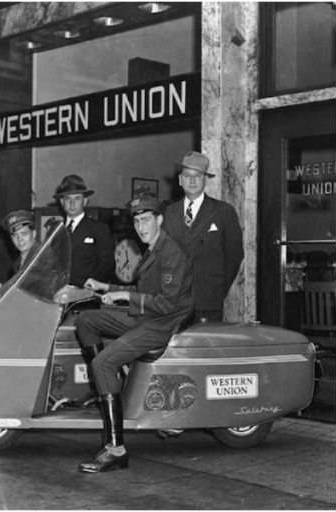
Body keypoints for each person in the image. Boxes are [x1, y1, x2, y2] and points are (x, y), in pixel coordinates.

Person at [75, 196, 193, 473]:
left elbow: (167, 303)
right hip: (146, 317)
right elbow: (145, 291)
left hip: (161, 324)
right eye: (137, 221)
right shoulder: (153, 248)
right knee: (86, 321)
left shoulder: (171, 251)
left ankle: (116, 450)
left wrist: (124, 295)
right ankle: (106, 388)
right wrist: (105, 286)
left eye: (146, 220)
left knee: (101, 362)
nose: (140, 227)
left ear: (159, 220)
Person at [163, 151, 244, 322]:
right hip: (175, 300)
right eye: (187, 175)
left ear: (206, 180)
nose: (192, 181)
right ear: (179, 180)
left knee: (205, 346)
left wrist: (218, 288)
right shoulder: (168, 213)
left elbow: (234, 256)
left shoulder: (223, 211)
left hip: (208, 299)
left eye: (198, 176)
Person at [53, 175, 114, 288]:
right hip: (58, 294)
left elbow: (106, 267)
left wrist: (86, 286)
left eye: (77, 199)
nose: (72, 203)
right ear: (62, 202)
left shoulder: (99, 229)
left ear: (85, 201)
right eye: (67, 199)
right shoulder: (55, 231)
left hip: (85, 298)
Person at [0, 210, 40, 308]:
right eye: (15, 235)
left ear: (34, 234)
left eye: (24, 234)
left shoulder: (41, 256)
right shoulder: (20, 261)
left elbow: (31, 286)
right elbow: (19, 288)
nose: (20, 239)